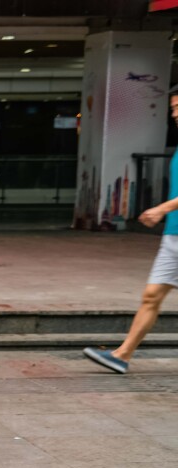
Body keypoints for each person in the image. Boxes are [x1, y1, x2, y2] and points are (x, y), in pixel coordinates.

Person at [84, 88, 178, 374]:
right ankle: (122, 355)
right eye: (172, 108)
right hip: (173, 236)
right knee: (151, 296)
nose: (174, 113)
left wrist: (162, 209)